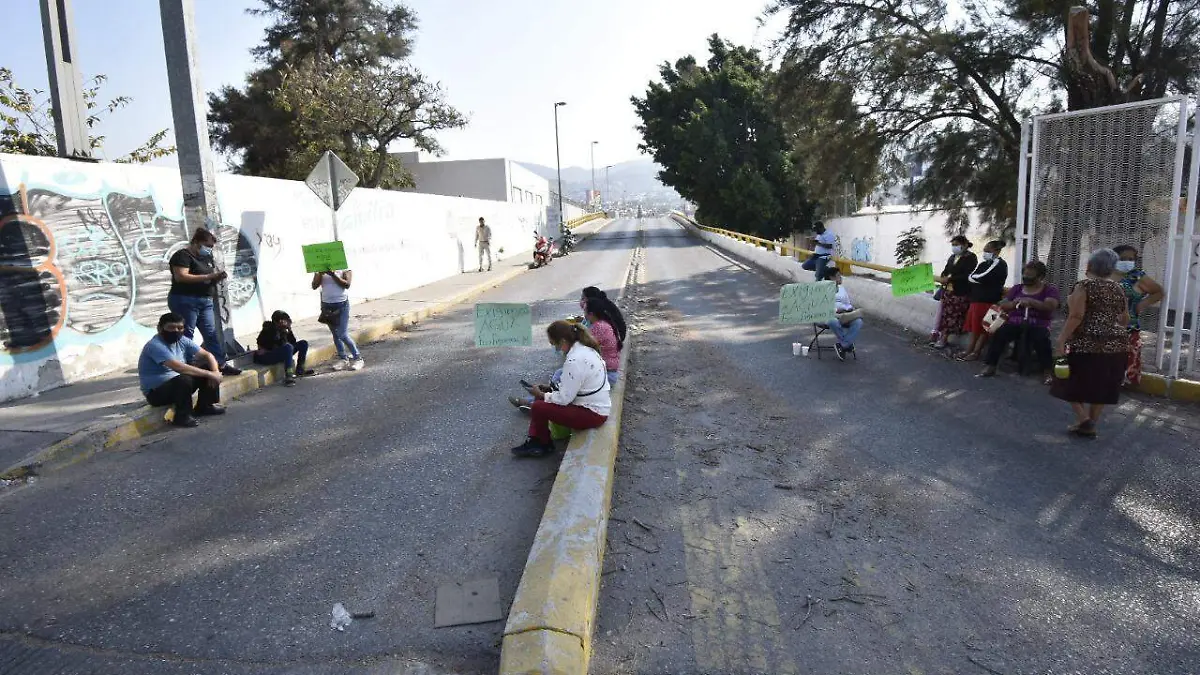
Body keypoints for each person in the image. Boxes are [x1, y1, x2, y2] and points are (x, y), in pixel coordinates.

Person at [1050, 249, 1130, 438]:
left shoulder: (1084, 286)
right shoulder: (1118, 288)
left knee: (1068, 381)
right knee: (1101, 387)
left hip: (1088, 344)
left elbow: (1076, 315)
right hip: (1116, 345)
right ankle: (1090, 423)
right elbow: (1125, 319)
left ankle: (1083, 419)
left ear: (1089, 266)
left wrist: (1061, 339)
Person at [512, 321, 611, 458]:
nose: (556, 349)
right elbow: (575, 386)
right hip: (595, 406)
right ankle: (536, 440)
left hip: (593, 413)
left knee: (538, 406)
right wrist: (549, 390)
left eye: (555, 345)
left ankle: (543, 444)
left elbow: (564, 399)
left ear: (563, 341)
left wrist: (542, 394)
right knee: (541, 399)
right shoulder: (585, 349)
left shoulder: (574, 360)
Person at [167, 228, 241, 376]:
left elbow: (208, 275)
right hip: (185, 300)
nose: (209, 249)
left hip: (205, 300)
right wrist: (208, 276)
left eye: (211, 247)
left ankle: (220, 364)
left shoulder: (205, 258)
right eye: (207, 245)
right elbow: (181, 276)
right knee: (186, 334)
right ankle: (186, 367)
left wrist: (216, 277)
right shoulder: (182, 256)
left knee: (211, 334)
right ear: (196, 242)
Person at [139, 312, 225, 428]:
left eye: (179, 328)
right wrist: (210, 374)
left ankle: (205, 406)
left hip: (178, 386)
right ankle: (182, 416)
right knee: (184, 378)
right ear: (160, 328)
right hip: (156, 393)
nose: (175, 331)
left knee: (208, 367)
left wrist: (214, 372)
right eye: (171, 328)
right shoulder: (155, 345)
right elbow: (177, 367)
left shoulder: (182, 340)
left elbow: (207, 355)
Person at [978, 261, 1060, 381]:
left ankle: (1047, 371)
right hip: (1015, 321)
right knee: (1000, 334)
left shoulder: (1049, 290)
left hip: (1038, 323)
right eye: (1025, 276)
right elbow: (1004, 304)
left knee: (1042, 339)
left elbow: (1050, 306)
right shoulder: (1017, 289)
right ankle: (991, 365)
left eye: (1030, 277)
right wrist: (1015, 303)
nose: (1026, 279)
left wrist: (1031, 302)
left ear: (1041, 277)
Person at [1112, 244, 1164, 386]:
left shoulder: (1137, 276)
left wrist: (1141, 305)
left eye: (1131, 259)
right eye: (1123, 259)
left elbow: (1159, 292)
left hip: (1129, 326)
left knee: (1125, 355)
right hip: (1105, 324)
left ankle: (1120, 381)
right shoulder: (1105, 273)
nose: (1127, 262)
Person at [961, 240, 1009, 361]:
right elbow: (973, 276)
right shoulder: (984, 264)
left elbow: (979, 277)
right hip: (977, 299)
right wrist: (972, 278)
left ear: (996, 251)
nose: (985, 253)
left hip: (989, 301)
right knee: (975, 329)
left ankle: (975, 352)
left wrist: (972, 278)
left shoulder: (999, 264)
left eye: (988, 251)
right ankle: (970, 350)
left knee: (984, 329)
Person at [312, 269, 364, 371]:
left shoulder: (344, 267)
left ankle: (358, 358)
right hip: (327, 305)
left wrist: (333, 274)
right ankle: (343, 358)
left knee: (342, 334)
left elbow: (346, 285)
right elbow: (314, 286)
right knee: (335, 334)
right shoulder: (319, 269)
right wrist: (320, 274)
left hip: (342, 304)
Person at [932, 235, 978, 350]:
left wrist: (951, 279)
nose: (954, 247)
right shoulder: (953, 257)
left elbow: (967, 274)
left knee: (953, 315)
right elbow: (947, 269)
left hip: (960, 292)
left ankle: (944, 338)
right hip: (948, 291)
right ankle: (941, 336)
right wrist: (944, 276)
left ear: (965, 245)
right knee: (945, 314)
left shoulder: (971, 257)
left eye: (956, 245)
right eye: (953, 245)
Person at [253, 310, 313, 386]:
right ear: (279, 321)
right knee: (288, 347)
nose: (287, 322)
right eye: (285, 320)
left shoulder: (282, 329)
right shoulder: (269, 329)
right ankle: (289, 375)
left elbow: (292, 342)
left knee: (303, 343)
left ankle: (300, 369)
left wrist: (289, 330)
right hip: (267, 356)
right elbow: (265, 343)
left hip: (281, 352)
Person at [822, 267, 863, 361]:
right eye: (838, 276)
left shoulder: (841, 288)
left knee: (858, 322)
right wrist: (836, 310)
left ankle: (843, 345)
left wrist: (849, 310)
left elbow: (848, 304)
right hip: (830, 315)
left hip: (844, 315)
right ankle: (847, 344)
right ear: (831, 278)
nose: (841, 278)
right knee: (832, 321)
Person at [584, 297, 623, 384]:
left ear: (591, 314)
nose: (584, 314)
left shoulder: (598, 327)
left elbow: (584, 347)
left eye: (585, 311)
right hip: (608, 372)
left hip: (606, 375)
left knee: (561, 375)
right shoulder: (604, 323)